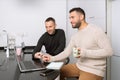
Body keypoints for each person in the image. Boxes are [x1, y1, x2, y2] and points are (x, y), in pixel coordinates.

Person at [42, 7, 113, 80]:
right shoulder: (75, 36)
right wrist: (51, 58)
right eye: (70, 18)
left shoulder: (96, 30)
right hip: (79, 66)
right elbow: (66, 52)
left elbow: (109, 51)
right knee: (57, 71)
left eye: (72, 17)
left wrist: (84, 53)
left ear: (81, 17)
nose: (70, 20)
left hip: (94, 70)